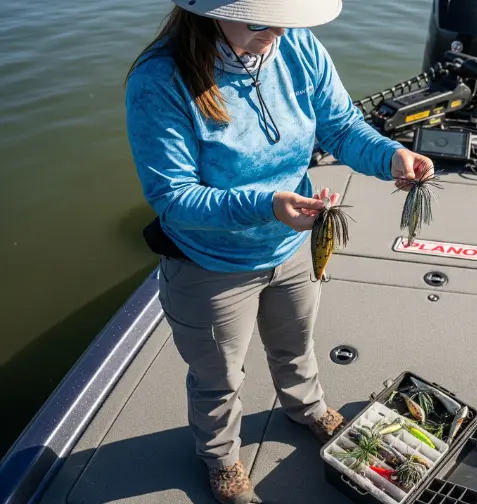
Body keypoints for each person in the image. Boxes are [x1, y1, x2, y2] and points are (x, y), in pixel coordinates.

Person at [124, 0, 433, 502]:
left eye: (288, 17)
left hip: (292, 245)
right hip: (211, 264)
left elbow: (340, 127)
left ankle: (307, 409)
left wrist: (391, 155)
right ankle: (222, 457)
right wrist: (268, 205)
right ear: (209, 11)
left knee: (295, 344)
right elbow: (173, 198)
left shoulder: (298, 47)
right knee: (218, 377)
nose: (278, 31)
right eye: (260, 18)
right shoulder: (159, 80)